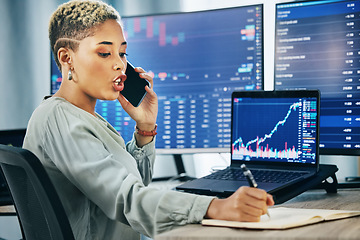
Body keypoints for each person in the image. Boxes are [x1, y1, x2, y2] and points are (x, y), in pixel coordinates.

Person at [23, 1, 274, 239]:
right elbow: (127, 200)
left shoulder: (82, 117)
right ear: (67, 58)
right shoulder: (60, 119)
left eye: (122, 53)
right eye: (104, 53)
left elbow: (132, 183)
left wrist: (145, 127)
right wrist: (215, 207)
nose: (120, 66)